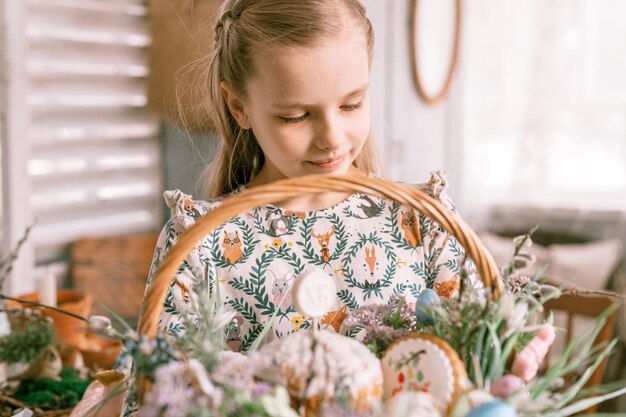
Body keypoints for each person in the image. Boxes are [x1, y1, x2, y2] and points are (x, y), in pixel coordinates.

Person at [145, 0, 467, 350]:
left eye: (351, 104)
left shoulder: (424, 221)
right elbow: (154, 393)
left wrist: (512, 361)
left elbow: (478, 368)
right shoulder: (200, 245)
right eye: (296, 116)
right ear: (238, 106)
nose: (332, 138)